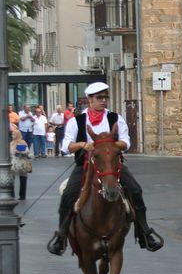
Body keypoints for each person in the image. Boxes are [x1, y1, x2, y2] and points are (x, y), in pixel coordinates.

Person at [47, 82, 164, 255]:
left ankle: (144, 232)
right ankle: (62, 235)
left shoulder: (115, 118)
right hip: (85, 164)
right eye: (99, 98)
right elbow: (66, 146)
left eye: (105, 97)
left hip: (111, 164)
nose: (103, 101)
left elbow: (125, 142)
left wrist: (107, 145)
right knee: (69, 195)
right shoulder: (76, 121)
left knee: (135, 190)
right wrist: (83, 144)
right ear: (90, 100)